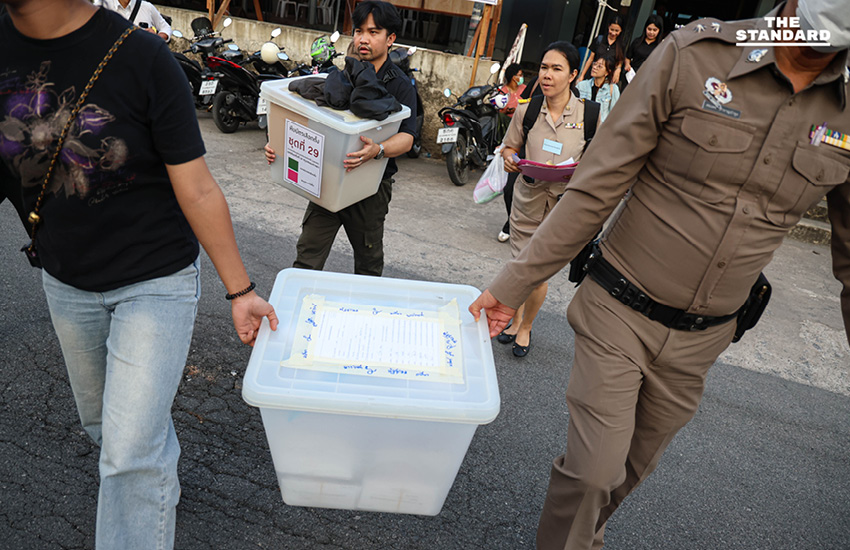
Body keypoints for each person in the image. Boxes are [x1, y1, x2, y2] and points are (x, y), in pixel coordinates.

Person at [469, 0, 850, 547]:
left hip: (704, 340)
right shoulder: (695, 56)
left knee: (623, 480)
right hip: (618, 310)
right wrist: (513, 284)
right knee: (593, 474)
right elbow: (596, 187)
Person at [0, 1, 279, 548]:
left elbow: (196, 188)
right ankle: (151, 464)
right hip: (64, 277)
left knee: (127, 455)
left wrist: (240, 290)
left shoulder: (145, 58)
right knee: (108, 429)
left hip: (154, 281)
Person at [264, 0, 417, 277]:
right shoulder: (341, 76)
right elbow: (311, 122)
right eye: (359, 31)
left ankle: (363, 317)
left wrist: (378, 150)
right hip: (327, 179)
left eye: (373, 32)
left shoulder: (399, 86)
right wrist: (281, 145)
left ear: (390, 38)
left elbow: (407, 137)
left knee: (368, 266)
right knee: (307, 259)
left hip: (369, 188)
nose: (363, 39)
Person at [494, 41, 594, 359]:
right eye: (544, 67)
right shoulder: (528, 109)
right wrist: (511, 158)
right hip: (527, 200)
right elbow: (509, 146)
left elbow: (599, 163)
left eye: (556, 68)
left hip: (563, 207)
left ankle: (525, 326)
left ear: (573, 75)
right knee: (521, 266)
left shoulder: (590, 115)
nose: (547, 75)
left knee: (537, 273)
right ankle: (515, 319)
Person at [496, 63, 526, 243]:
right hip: (513, 139)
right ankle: (511, 221)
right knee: (509, 189)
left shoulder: (526, 90)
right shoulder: (503, 91)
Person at [578, 16, 624, 87]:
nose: (613, 33)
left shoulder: (621, 45)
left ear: (621, 30)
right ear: (608, 27)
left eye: (616, 31)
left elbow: (619, 60)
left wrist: (618, 69)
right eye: (612, 29)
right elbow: (590, 58)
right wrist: (582, 75)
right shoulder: (599, 40)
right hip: (594, 73)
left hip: (607, 78)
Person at [95, 0, 171, 41]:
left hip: (141, 61)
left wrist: (156, 38)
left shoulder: (147, 7)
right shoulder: (102, 6)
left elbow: (166, 28)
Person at [576, 55, 620, 123]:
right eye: (594, 64)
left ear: (607, 72)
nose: (594, 67)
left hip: (599, 128)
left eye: (599, 66)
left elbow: (614, 114)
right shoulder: (581, 85)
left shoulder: (612, 89)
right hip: (580, 125)